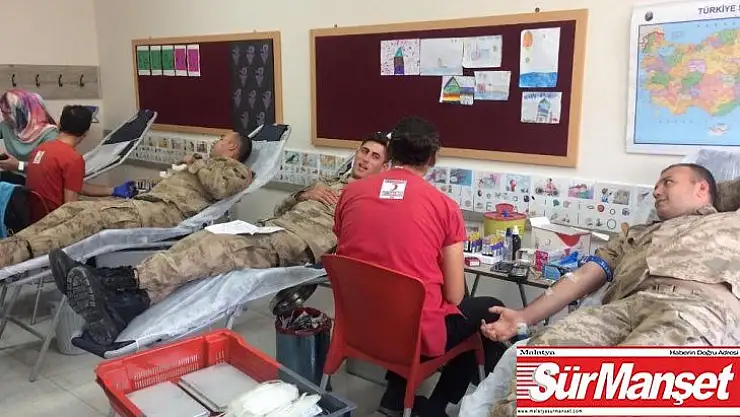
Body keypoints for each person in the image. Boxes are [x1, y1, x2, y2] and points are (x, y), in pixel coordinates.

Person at [48, 133, 390, 348]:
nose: (365, 159)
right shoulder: (330, 181)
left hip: (298, 243)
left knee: (217, 248)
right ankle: (125, 305)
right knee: (205, 237)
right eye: (363, 151)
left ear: (386, 168)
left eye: (375, 157)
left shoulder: (376, 197)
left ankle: (116, 282)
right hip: (272, 228)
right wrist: (304, 194)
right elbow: (280, 207)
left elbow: (360, 237)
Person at [485, 163, 740, 417]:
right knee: (547, 352)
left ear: (701, 188)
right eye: (656, 185)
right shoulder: (636, 235)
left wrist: (711, 194)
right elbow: (584, 276)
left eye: (668, 182)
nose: (656, 191)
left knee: (631, 378)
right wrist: (523, 317)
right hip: (626, 306)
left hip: (693, 307)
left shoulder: (729, 222)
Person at [334, 117, 507, 417]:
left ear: (390, 152)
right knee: (490, 310)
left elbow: (349, 248)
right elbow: (455, 296)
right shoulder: (444, 207)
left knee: (412, 301)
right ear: (432, 159)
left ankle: (396, 396)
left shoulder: (351, 192)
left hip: (358, 324)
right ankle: (435, 407)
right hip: (410, 335)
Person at [0, 131, 254, 268]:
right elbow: (172, 183)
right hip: (147, 203)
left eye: (223, 139)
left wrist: (196, 163)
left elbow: (219, 189)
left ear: (232, 148)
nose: (217, 140)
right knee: (73, 209)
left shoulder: (238, 171)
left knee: (94, 218)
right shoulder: (206, 164)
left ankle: (14, 255)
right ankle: (11, 244)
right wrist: (141, 185)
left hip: (166, 213)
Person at [25, 105, 136, 214]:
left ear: (59, 125)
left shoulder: (40, 149)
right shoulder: (72, 159)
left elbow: (74, 186)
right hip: (54, 219)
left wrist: (113, 190)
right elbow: (70, 207)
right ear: (86, 133)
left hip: (33, 216)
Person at [0, 89, 59, 184]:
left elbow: (47, 167)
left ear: (23, 112)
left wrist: (18, 165)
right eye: (3, 112)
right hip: (12, 176)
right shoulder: (7, 125)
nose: (4, 117)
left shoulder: (49, 134)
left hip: (36, 180)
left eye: (8, 113)